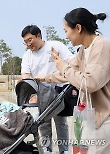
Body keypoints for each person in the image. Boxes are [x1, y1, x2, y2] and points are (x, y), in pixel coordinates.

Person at [35, 8, 110, 154]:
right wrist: (45, 78)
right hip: (87, 118)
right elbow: (68, 73)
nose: (66, 36)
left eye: (66, 31)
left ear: (78, 28)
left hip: (103, 120)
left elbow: (90, 83)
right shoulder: (84, 50)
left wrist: (62, 65)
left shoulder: (102, 46)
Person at [21, 25, 74, 154]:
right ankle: (47, 149)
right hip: (41, 92)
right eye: (25, 42)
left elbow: (72, 61)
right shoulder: (27, 56)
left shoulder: (56, 46)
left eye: (30, 40)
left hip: (59, 89)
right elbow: (26, 75)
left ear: (38, 35)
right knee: (43, 123)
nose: (28, 44)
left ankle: (64, 150)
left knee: (61, 122)